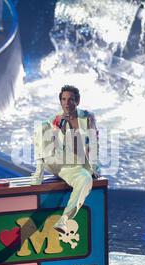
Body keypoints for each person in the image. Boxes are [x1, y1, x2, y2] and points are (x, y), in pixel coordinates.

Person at [30, 85, 100, 234]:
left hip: (73, 166)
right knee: (41, 127)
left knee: (86, 179)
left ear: (78, 101)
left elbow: (93, 143)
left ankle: (64, 220)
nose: (67, 103)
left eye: (71, 100)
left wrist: (93, 167)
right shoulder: (56, 119)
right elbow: (44, 140)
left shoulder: (87, 117)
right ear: (60, 102)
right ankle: (39, 171)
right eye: (63, 99)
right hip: (56, 160)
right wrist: (57, 131)